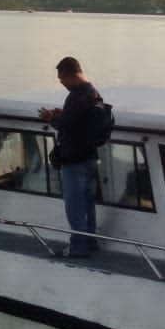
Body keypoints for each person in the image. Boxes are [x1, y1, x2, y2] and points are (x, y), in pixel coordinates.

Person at [37, 56, 105, 257]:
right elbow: (79, 120)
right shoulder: (93, 93)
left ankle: (78, 248)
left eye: (62, 79)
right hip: (90, 158)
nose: (62, 83)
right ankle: (90, 243)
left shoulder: (75, 96)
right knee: (87, 206)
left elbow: (65, 125)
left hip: (74, 161)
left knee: (75, 209)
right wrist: (62, 113)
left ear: (70, 74)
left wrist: (51, 118)